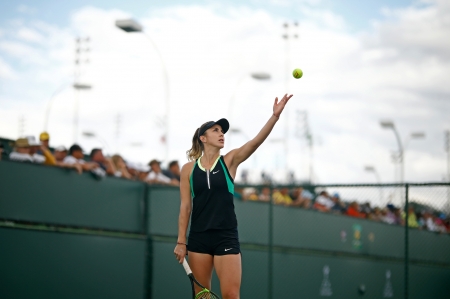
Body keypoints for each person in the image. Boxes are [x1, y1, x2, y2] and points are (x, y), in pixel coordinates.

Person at [173, 93, 292, 299]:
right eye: (216, 130)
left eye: (222, 131)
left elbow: (254, 143)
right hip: (198, 238)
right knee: (202, 297)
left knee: (231, 296)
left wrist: (274, 117)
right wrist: (181, 241)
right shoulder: (188, 170)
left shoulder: (229, 161)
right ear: (203, 138)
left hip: (225, 236)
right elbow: (185, 207)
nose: (222, 134)